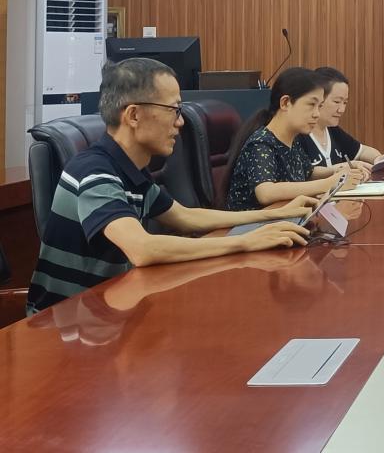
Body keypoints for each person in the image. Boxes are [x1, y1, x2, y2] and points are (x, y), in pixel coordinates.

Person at [26, 58, 317, 314]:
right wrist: (246, 242)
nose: (180, 123)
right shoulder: (94, 171)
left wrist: (272, 215)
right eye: (174, 110)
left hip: (109, 309)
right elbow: (142, 249)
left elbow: (185, 216)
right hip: (65, 324)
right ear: (133, 115)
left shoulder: (131, 170)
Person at [225, 67, 367, 212]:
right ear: (285, 103)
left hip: (285, 220)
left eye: (319, 106)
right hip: (253, 224)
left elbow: (309, 172)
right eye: (311, 105)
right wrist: (329, 183)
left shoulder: (293, 140)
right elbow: (266, 192)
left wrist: (340, 169)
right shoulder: (261, 143)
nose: (317, 114)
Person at [298, 66, 383, 171]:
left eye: (345, 102)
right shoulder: (298, 133)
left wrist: (380, 160)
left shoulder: (333, 131)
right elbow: (306, 173)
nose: (341, 110)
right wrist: (344, 168)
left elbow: (362, 151)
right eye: (337, 102)